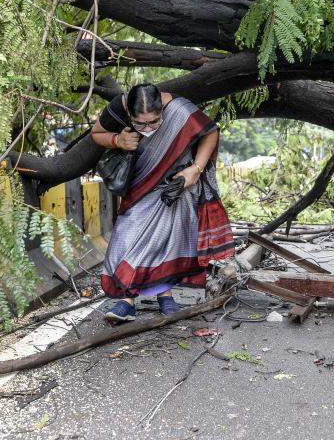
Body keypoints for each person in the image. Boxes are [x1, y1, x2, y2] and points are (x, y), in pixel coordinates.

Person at [91, 84, 234, 323]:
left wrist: (195, 170)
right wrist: (118, 139)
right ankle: (139, 298)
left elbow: (210, 132)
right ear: (130, 113)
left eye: (154, 123)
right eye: (140, 124)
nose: (147, 129)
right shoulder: (119, 106)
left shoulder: (179, 109)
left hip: (176, 185)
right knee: (127, 237)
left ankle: (144, 298)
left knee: (165, 241)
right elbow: (97, 134)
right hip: (139, 184)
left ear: (162, 111)